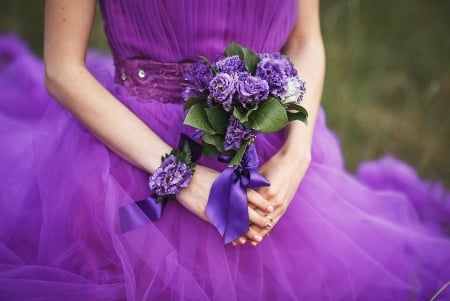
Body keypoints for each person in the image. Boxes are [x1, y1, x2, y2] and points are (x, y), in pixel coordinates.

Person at [0, 0, 449, 300]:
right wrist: (183, 179)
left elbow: (304, 41)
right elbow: (62, 70)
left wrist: (297, 153)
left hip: (269, 147)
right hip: (130, 157)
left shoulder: (290, 152)